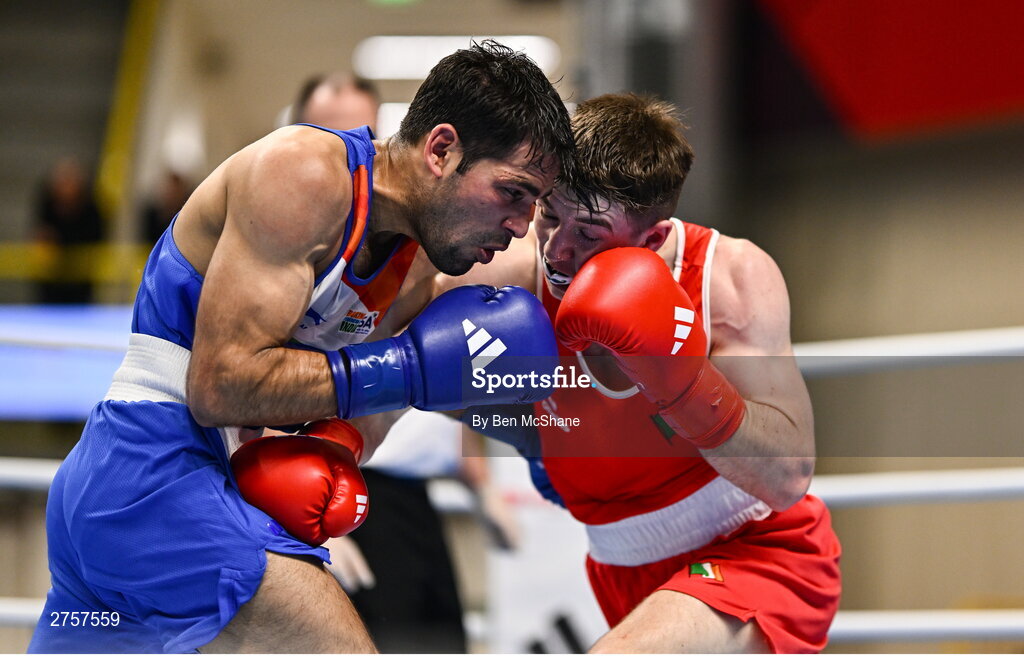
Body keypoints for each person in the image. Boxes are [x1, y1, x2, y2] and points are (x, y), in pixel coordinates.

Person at [29, 40, 573, 653]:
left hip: (171, 492)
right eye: (514, 192)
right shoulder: (305, 173)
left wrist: (536, 438)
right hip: (150, 470)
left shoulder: (415, 268)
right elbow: (222, 384)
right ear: (441, 150)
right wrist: (406, 369)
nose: (521, 223)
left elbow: (387, 398)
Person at [437, 93, 842, 653]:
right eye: (550, 215)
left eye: (590, 232)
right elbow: (386, 325)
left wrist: (679, 380)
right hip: (620, 563)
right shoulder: (514, 266)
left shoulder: (726, 279)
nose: (557, 250)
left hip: (754, 549)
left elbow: (787, 478)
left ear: (652, 240)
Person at [289, 69, 517, 653]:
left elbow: (442, 369)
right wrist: (304, 520)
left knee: (447, 643)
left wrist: (480, 479)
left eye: (360, 133)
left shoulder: (414, 240)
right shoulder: (293, 235)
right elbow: (244, 386)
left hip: (408, 488)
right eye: (330, 132)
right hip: (324, 481)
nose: (346, 150)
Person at [34, 157, 105, 303]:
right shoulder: (47, 204)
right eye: (63, 182)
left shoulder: (91, 209)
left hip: (80, 283)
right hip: (51, 281)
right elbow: (41, 234)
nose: (66, 187)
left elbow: (97, 240)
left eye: (69, 182)